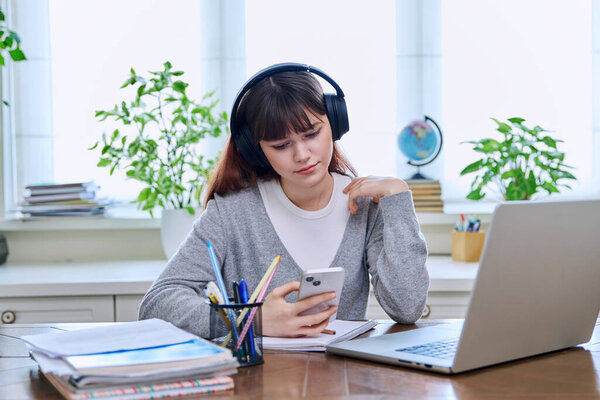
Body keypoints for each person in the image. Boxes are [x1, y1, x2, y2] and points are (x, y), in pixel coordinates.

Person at [139, 63, 429, 338]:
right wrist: (251, 320)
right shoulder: (231, 212)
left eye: (312, 133)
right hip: (260, 384)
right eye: (281, 145)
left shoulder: (366, 207)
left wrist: (399, 197)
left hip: (342, 383)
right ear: (257, 150)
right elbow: (156, 305)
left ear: (336, 123)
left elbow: (407, 308)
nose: (302, 154)